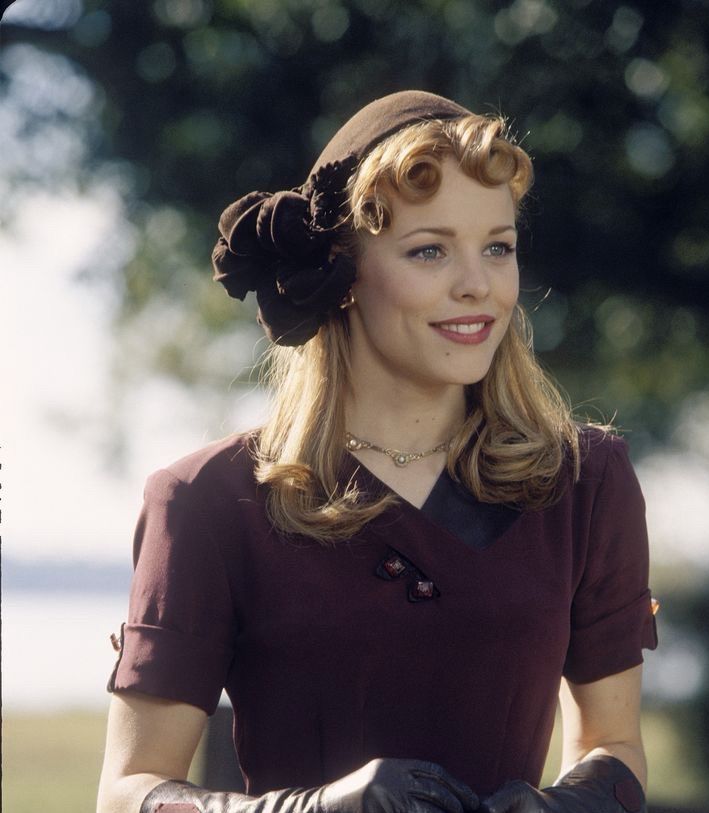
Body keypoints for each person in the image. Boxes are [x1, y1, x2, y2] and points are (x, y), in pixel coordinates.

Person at [96, 90, 658, 813]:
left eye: (498, 246)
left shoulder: (585, 482)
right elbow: (129, 790)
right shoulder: (207, 501)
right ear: (345, 273)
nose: (478, 285)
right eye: (429, 250)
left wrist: (563, 806)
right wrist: (305, 810)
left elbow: (614, 744)